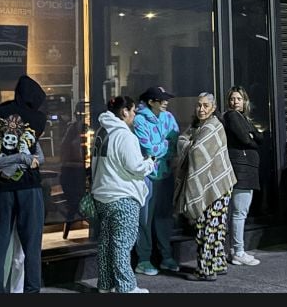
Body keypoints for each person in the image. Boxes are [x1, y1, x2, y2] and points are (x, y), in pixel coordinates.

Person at [0, 74, 48, 293]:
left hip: (1, 188)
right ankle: (31, 291)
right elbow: (36, 150)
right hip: (29, 186)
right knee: (32, 244)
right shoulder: (39, 119)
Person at [92, 95, 157, 293]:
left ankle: (105, 284)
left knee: (105, 243)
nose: (135, 114)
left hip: (102, 195)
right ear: (124, 112)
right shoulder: (125, 135)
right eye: (133, 110)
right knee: (122, 243)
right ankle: (126, 287)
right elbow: (135, 166)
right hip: (123, 196)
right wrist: (149, 162)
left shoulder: (101, 131)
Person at [174, 92, 237, 280]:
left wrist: (189, 144)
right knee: (215, 228)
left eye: (205, 106)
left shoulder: (212, 127)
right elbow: (184, 140)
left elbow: (196, 153)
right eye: (199, 105)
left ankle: (206, 271)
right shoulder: (200, 126)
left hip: (214, 187)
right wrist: (189, 143)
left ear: (213, 107)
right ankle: (217, 264)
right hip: (219, 185)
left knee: (206, 230)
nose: (201, 109)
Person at [133, 85, 181, 276]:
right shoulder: (138, 120)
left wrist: (160, 149)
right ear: (151, 102)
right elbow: (148, 149)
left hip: (166, 174)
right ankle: (143, 260)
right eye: (162, 99)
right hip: (146, 178)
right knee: (144, 219)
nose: (166, 102)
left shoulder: (168, 117)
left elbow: (175, 144)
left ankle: (166, 257)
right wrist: (165, 146)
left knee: (164, 218)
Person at [222, 86, 261, 266]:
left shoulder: (244, 118)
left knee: (236, 213)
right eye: (232, 98)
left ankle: (233, 250)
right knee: (239, 213)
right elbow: (247, 139)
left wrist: (253, 135)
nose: (235, 102)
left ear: (244, 101)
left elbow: (260, 136)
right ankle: (238, 251)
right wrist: (251, 137)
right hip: (242, 169)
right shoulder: (232, 116)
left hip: (245, 169)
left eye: (238, 99)